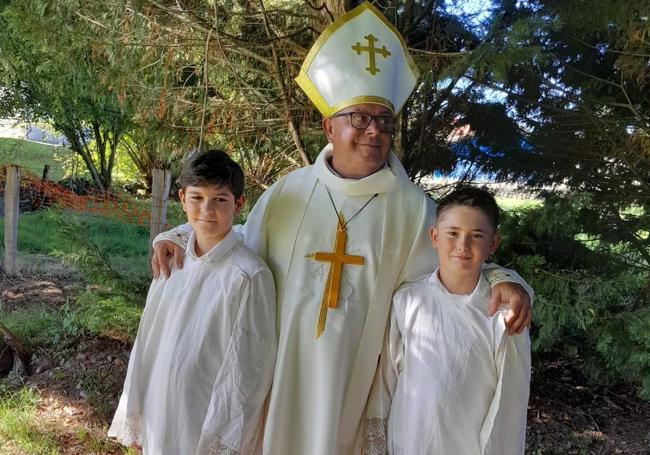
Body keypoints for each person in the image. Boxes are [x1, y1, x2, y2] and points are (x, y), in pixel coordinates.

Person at [152, 3, 532, 454]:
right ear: (328, 125)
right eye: (360, 118)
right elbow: (234, 253)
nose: (374, 132)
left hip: (353, 388)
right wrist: (177, 237)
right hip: (280, 373)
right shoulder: (288, 193)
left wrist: (506, 280)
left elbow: (453, 274)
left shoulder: (412, 210)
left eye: (384, 122)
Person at [109, 150, 276, 454]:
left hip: (203, 418)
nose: (206, 210)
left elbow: (248, 368)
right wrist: (136, 409)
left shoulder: (248, 276)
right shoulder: (170, 261)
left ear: (239, 204)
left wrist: (223, 439)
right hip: (160, 405)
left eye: (220, 199)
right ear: (182, 198)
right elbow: (148, 340)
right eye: (197, 198)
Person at [366, 186, 531, 454]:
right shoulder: (407, 300)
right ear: (434, 236)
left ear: (493, 243)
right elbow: (388, 379)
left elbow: (509, 402)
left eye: (476, 236)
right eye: (452, 233)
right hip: (410, 441)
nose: (462, 246)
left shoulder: (504, 313)